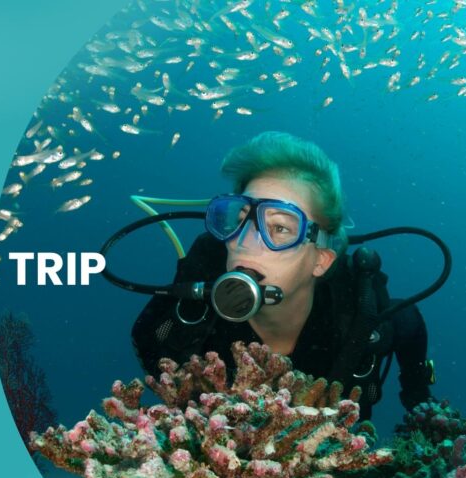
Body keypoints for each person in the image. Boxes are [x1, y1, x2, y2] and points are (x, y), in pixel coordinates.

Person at [131, 132, 434, 420]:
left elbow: (408, 321)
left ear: (321, 260)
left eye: (279, 228)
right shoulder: (188, 313)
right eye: (240, 220)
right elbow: (149, 344)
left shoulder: (354, 316)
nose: (245, 241)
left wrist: (418, 396)